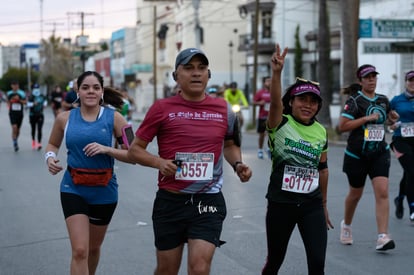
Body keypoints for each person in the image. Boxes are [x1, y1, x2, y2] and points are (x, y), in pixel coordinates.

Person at [127, 48, 252, 275]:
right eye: (189, 68)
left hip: (208, 200)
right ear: (176, 76)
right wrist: (159, 163)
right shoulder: (161, 108)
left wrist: (237, 164)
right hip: (171, 202)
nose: (196, 73)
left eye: (201, 68)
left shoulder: (224, 110)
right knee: (167, 270)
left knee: (200, 268)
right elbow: (135, 150)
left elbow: (231, 145)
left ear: (208, 74)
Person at [44, 71, 134, 275]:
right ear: (78, 91)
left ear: (102, 91)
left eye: (95, 87)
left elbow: (134, 154)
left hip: (104, 191)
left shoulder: (115, 119)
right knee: (80, 250)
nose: (90, 91)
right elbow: (51, 145)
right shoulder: (64, 118)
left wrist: (107, 149)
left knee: (92, 248)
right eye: (85, 87)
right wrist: (49, 158)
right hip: (73, 188)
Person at [261, 44, 333, 275]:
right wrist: (276, 73)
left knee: (317, 263)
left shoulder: (321, 132)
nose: (308, 105)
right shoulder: (280, 123)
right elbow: (274, 104)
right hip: (281, 204)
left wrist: (323, 206)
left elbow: (323, 169)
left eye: (313, 101)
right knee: (275, 261)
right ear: (291, 102)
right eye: (302, 99)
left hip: (311, 206)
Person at [338, 64, 398, 251]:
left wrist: (392, 119)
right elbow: (343, 126)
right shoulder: (354, 101)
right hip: (356, 155)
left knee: (382, 192)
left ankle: (382, 236)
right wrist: (365, 119)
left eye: (374, 76)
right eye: (367, 77)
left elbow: (385, 120)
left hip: (379, 152)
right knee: (355, 194)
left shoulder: (383, 100)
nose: (372, 79)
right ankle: (346, 225)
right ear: (360, 81)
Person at [389, 70, 414, 222]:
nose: (412, 83)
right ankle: (412, 208)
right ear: (405, 82)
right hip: (400, 141)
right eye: (410, 80)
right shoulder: (397, 100)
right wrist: (391, 125)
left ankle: (399, 198)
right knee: (412, 172)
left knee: (409, 173)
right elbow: (387, 117)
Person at [253, 76, 272, 159]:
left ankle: (269, 149)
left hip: (272, 116)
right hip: (262, 116)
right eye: (267, 81)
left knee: (271, 134)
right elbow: (254, 102)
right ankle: (260, 150)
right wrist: (260, 103)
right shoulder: (260, 92)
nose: (269, 82)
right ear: (264, 83)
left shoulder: (274, 92)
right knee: (262, 134)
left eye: (270, 81)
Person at [6, 80, 26, 152]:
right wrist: (11, 101)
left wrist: (19, 100)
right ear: (11, 86)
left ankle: (15, 139)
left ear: (18, 86)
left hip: (20, 113)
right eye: (14, 85)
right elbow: (7, 102)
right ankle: (15, 143)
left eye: (16, 85)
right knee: (14, 128)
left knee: (18, 130)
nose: (15, 86)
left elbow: (25, 102)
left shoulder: (22, 93)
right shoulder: (9, 93)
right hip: (12, 113)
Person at [27, 84, 47, 150]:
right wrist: (33, 104)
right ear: (33, 89)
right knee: (33, 129)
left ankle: (39, 143)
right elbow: (28, 104)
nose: (36, 89)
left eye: (37, 88)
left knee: (39, 129)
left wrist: (44, 104)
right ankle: (33, 141)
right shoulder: (31, 96)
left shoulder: (41, 96)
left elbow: (45, 101)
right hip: (32, 115)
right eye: (35, 88)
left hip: (40, 114)